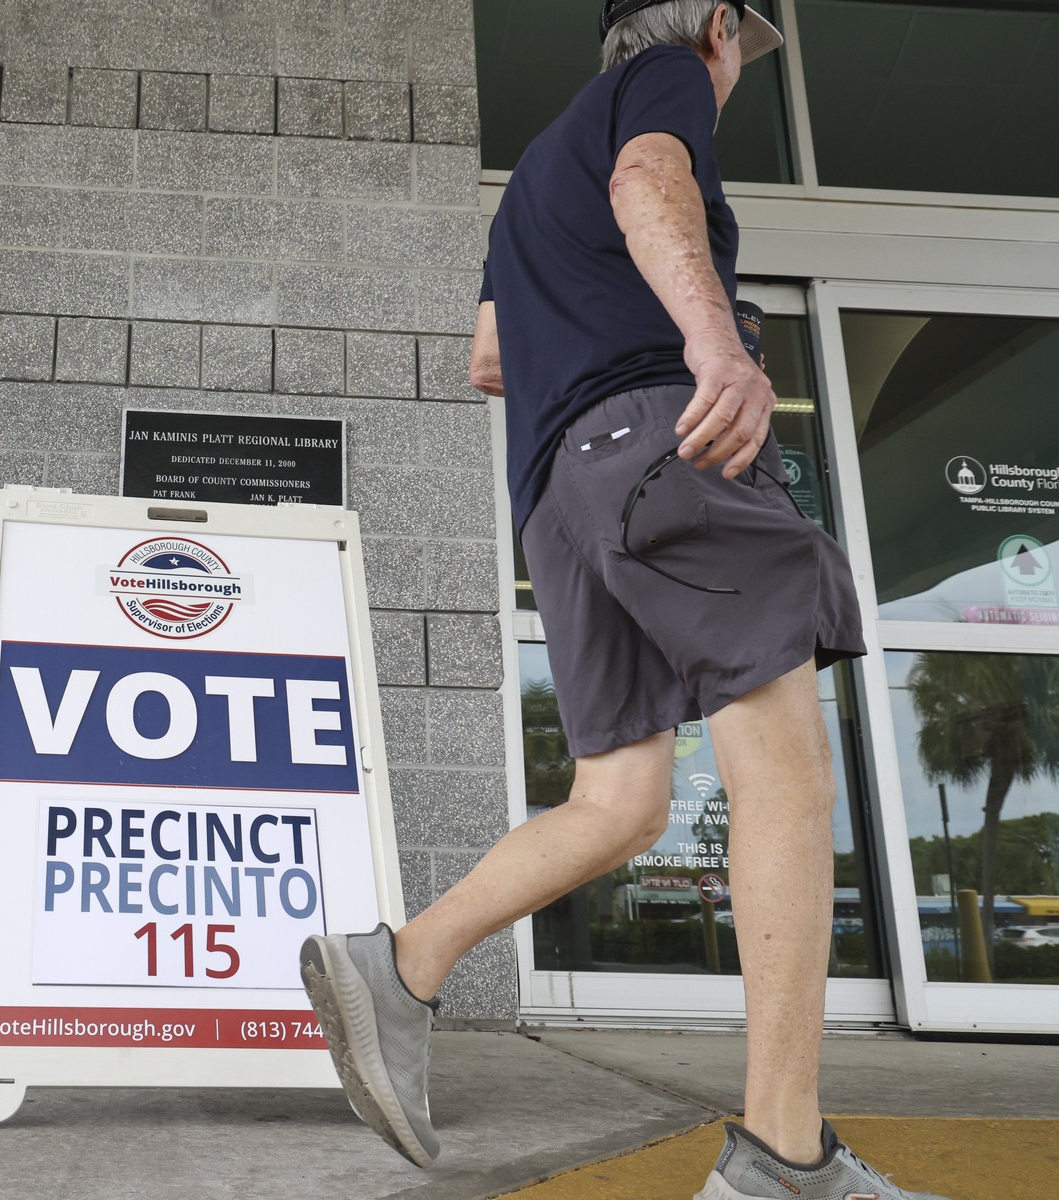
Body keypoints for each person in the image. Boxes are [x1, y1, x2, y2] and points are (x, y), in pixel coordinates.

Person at [299, 4, 949, 1198]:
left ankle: (399, 966)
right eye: (742, 46)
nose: (737, 68)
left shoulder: (537, 176)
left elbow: (490, 357)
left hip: (559, 494)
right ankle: (786, 1159)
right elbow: (655, 179)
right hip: (663, 438)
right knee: (785, 771)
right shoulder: (662, 88)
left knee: (622, 801)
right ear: (716, 25)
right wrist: (716, 341)